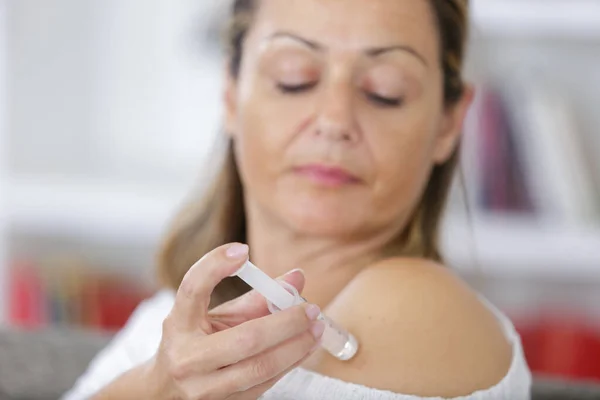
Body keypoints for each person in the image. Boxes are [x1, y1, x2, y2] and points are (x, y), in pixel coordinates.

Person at [64, 0, 531, 398]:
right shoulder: (160, 323)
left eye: (384, 91)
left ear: (449, 122)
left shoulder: (420, 306)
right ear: (230, 93)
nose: (334, 119)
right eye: (294, 78)